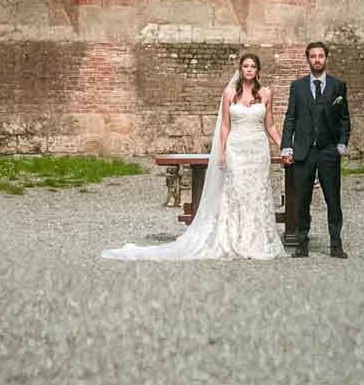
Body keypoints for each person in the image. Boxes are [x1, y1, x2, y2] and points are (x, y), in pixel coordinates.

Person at [102, 53, 285, 261]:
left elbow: (270, 125)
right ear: (240, 69)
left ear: (258, 70)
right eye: (245, 66)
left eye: (253, 66)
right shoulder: (229, 93)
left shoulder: (266, 93)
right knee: (237, 193)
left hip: (258, 150)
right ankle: (236, 238)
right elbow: (225, 126)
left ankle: (257, 240)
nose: (249, 69)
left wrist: (283, 147)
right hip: (236, 149)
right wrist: (223, 152)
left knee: (256, 194)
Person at [280, 40, 348, 257]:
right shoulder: (297, 86)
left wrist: (342, 143)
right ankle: (302, 243)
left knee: (333, 198)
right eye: (313, 56)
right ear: (308, 59)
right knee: (302, 199)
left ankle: (336, 244)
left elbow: (344, 118)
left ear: (326, 58)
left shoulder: (338, 86)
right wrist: (286, 147)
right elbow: (290, 118)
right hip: (303, 151)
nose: (317, 59)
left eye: (320, 56)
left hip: (328, 150)